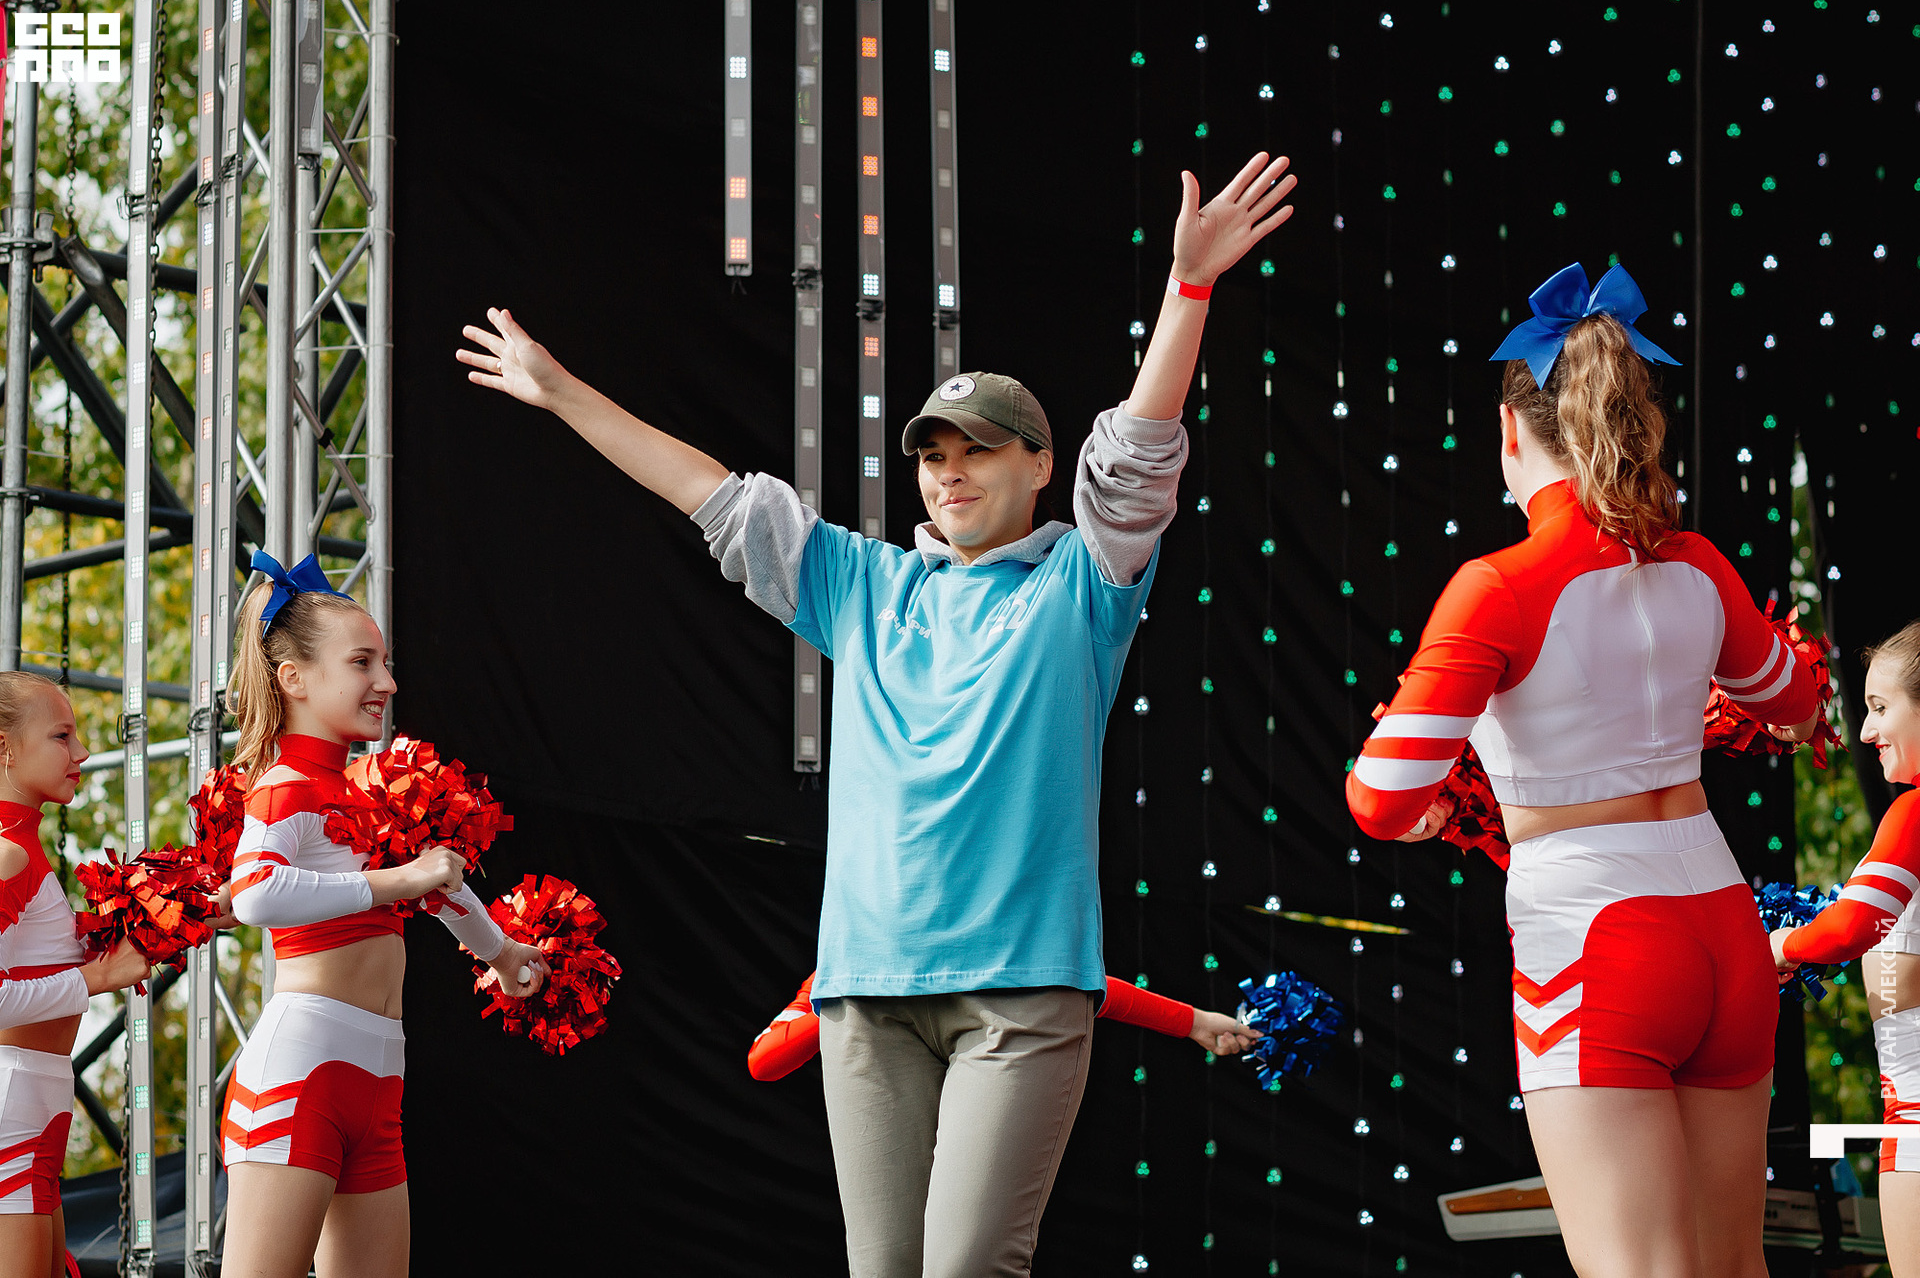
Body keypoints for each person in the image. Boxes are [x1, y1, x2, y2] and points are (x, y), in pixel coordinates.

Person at [459, 150, 1296, 1277]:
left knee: (967, 1269)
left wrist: (1187, 288)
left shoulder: (1081, 585)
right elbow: (709, 492)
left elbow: (1137, 457)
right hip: (865, 990)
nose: (951, 473)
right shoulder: (864, 586)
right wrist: (562, 391)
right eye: (934, 457)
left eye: (980, 450)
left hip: (1022, 991)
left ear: (1040, 466)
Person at [1346, 262, 1822, 1278]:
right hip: (1724, 931)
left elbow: (1380, 798)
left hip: (1596, 942)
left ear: (1510, 431)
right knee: (1737, 1266)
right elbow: (1794, 701)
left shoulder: (1497, 586)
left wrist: (1444, 787)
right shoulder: (1699, 563)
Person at [216, 553, 548, 1278]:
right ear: (294, 679)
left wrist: (500, 952)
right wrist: (398, 879)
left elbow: (437, 886)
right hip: (301, 1074)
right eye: (363, 662)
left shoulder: (363, 795)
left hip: (377, 1078)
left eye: (386, 663)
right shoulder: (285, 784)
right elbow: (255, 893)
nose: (388, 683)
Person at [1771, 620, 1920, 1274]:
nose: (1864, 732)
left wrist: (1781, 946)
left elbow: (1853, 927)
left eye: (1881, 708)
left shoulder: (1913, 814)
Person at [0, 672, 152, 1278]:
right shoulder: (8, 853)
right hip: (14, 1107)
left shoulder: (23, 848)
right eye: (62, 736)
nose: (83, 752)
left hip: (34, 1108)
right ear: (5, 748)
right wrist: (97, 978)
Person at [748, 971, 1261, 1082]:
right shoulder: (835, 973)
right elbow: (763, 1061)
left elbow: (1069, 981)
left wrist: (1193, 1022)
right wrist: (851, 983)